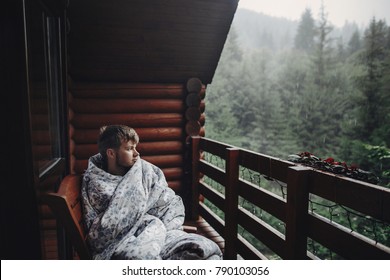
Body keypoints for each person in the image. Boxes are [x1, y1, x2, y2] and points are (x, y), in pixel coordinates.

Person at [81, 125, 222, 260]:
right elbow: (103, 229)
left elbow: (165, 199)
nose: (137, 153)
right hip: (127, 240)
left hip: (159, 229)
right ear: (111, 153)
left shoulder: (144, 172)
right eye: (130, 149)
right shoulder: (97, 183)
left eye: (135, 147)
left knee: (206, 251)